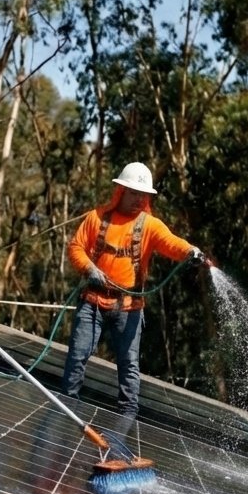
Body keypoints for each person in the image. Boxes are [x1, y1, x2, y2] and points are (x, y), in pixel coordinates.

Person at [62, 162, 206, 417]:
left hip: (129, 307)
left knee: (128, 365)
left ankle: (128, 417)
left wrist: (190, 251)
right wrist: (89, 269)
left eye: (143, 194)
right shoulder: (97, 217)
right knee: (78, 354)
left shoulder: (149, 225)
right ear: (120, 191)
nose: (138, 199)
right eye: (133, 193)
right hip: (93, 300)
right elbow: (76, 247)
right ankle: (67, 407)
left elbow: (172, 243)